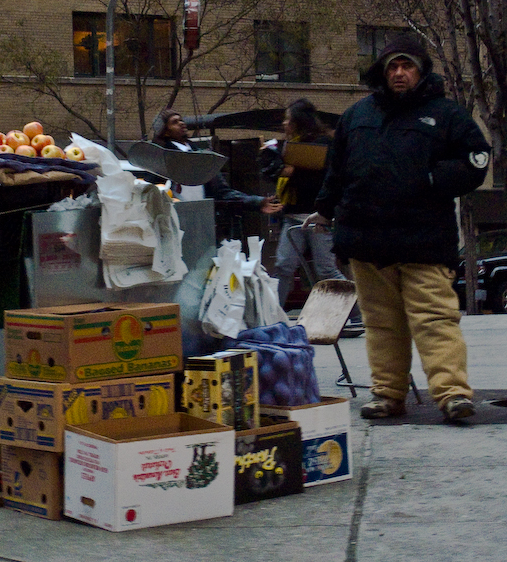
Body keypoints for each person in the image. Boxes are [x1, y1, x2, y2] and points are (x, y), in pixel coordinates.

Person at [304, 36, 490, 422]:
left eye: (406, 66)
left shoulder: (447, 115)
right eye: (392, 66)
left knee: (435, 321)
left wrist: (431, 178)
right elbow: (335, 171)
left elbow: (475, 162)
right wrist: (323, 210)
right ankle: (388, 395)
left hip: (424, 241)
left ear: (420, 72)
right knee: (381, 325)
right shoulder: (357, 116)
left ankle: (452, 394)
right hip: (367, 241)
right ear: (382, 72)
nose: (399, 73)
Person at [259, 99, 363, 336]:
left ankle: (356, 314)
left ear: (298, 122)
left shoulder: (324, 145)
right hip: (292, 216)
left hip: (319, 217)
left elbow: (326, 178)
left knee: (326, 269)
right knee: (284, 266)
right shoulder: (285, 148)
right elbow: (271, 170)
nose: (285, 123)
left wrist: (295, 171)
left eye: (288, 119)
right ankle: (272, 318)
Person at [151, 108, 282, 218]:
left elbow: (222, 192)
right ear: (166, 131)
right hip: (173, 220)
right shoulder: (160, 157)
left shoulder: (202, 156)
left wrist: (257, 202)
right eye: (175, 122)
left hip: (202, 220)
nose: (181, 123)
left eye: (181, 120)